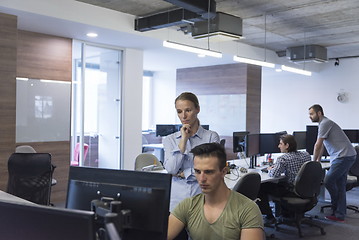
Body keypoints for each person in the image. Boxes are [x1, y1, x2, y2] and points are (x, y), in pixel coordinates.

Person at [167, 143, 264, 240]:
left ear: (224, 172)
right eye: (197, 172)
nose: (202, 179)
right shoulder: (188, 205)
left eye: (208, 172)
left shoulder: (247, 210)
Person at [163, 92, 220, 211]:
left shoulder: (211, 137)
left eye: (188, 110)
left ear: (197, 109)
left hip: (203, 198)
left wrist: (186, 173)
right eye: (179, 111)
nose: (183, 116)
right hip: (176, 200)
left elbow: (211, 170)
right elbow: (171, 169)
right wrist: (183, 140)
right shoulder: (169, 139)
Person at [309, 104, 356, 222]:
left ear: (319, 113)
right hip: (347, 155)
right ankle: (339, 214)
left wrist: (313, 163)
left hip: (343, 156)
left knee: (328, 181)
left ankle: (337, 207)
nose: (310, 116)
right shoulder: (324, 124)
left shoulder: (325, 123)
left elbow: (317, 145)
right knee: (340, 185)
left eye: (311, 114)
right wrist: (317, 161)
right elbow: (323, 146)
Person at [256, 134, 311, 224]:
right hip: (305, 189)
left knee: (261, 187)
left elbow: (274, 174)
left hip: (292, 191)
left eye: (281, 144)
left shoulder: (283, 158)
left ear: (287, 145)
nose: (278, 146)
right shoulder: (306, 155)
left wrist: (270, 169)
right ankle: (285, 213)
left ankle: (269, 216)